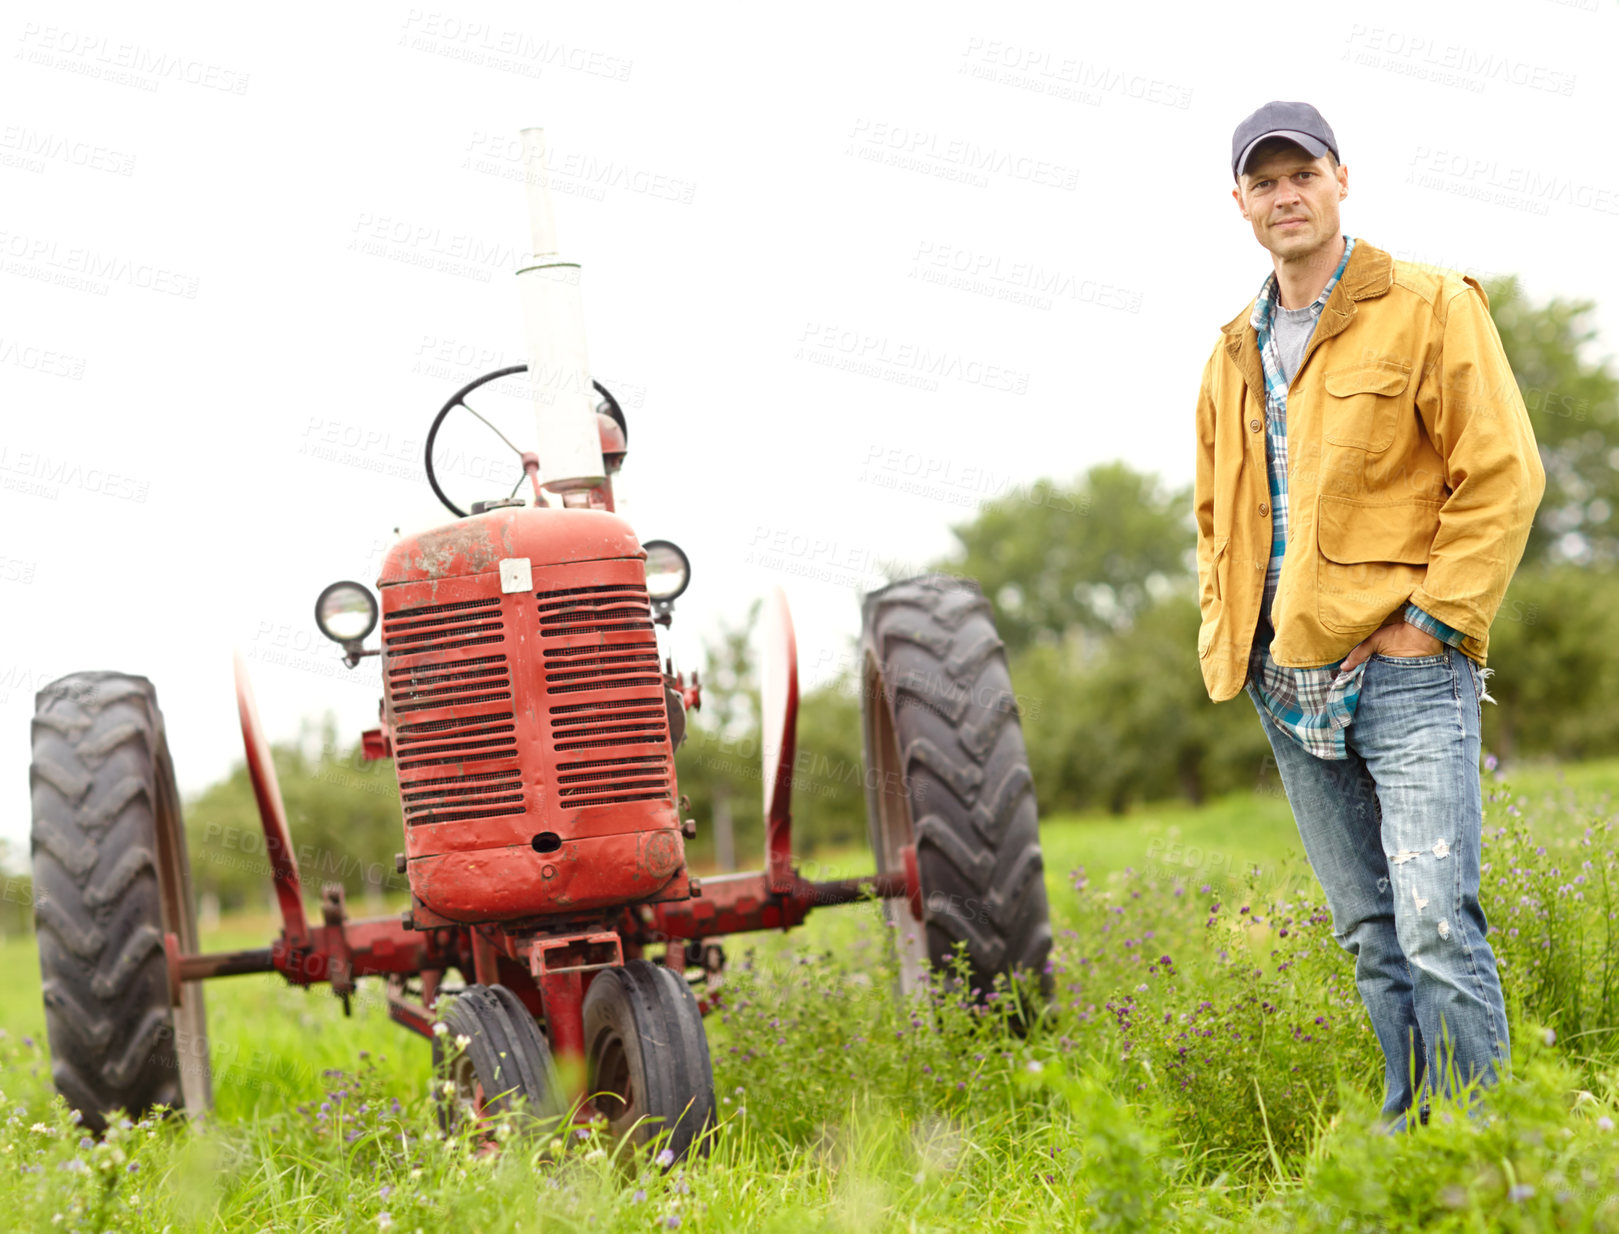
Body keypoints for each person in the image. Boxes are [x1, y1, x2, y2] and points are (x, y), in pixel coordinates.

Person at [1192, 100, 1545, 1125]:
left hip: (1402, 668)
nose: (1284, 194)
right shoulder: (1228, 352)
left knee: (1436, 922)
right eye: (1263, 182)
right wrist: (1236, 640)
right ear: (1239, 204)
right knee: (1369, 932)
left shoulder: (1429, 305)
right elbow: (1215, 515)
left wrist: (1434, 619)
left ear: (1340, 178)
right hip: (1283, 677)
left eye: (1300, 173)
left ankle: (1481, 1156)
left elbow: (1502, 476)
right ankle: (1406, 1141)